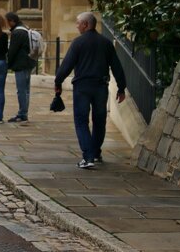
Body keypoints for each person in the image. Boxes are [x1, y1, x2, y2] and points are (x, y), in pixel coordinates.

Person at [55, 12, 128, 169]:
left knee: (81, 121)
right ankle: (95, 152)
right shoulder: (106, 43)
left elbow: (66, 65)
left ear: (86, 25)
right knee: (100, 121)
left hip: (82, 87)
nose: (76, 26)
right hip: (101, 87)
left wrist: (58, 81)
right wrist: (121, 88)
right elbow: (117, 66)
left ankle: (88, 156)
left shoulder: (78, 43)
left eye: (78, 23)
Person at [5, 11, 33, 122]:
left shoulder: (17, 33)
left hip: (21, 64)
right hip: (29, 62)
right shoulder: (25, 28)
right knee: (26, 90)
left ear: (12, 21)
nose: (7, 24)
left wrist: (8, 64)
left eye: (7, 21)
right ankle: (24, 112)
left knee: (21, 90)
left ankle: (22, 114)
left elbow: (12, 51)